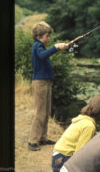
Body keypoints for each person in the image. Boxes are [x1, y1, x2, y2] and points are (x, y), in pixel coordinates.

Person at [28, 21, 70, 151]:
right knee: (40, 112)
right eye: (47, 35)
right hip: (40, 83)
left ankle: (43, 138)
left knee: (46, 112)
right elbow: (42, 55)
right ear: (39, 35)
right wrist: (56, 47)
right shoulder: (37, 46)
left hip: (46, 82)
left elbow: (45, 55)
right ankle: (32, 141)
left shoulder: (41, 46)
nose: (49, 38)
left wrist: (58, 47)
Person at [51, 94, 100, 172]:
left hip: (57, 158)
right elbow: (81, 153)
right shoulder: (89, 126)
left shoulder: (82, 118)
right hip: (64, 159)